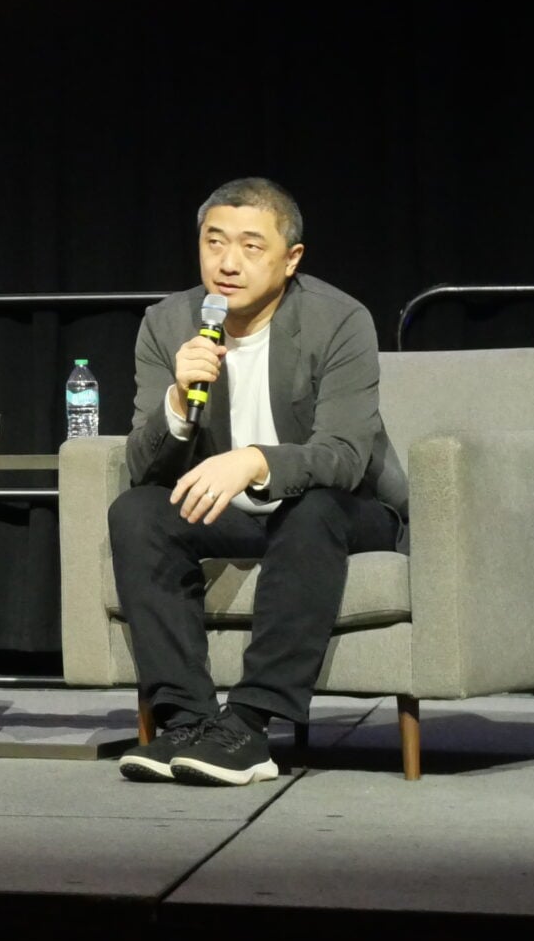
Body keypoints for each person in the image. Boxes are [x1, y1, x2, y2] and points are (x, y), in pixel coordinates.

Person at [111, 178, 405, 787]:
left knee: (312, 509)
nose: (227, 262)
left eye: (250, 246)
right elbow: (145, 466)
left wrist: (254, 460)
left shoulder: (338, 320)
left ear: (290, 257)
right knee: (137, 511)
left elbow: (345, 457)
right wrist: (174, 403)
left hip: (348, 512)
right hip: (240, 518)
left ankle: (249, 724)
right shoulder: (168, 324)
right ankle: (187, 722)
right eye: (214, 242)